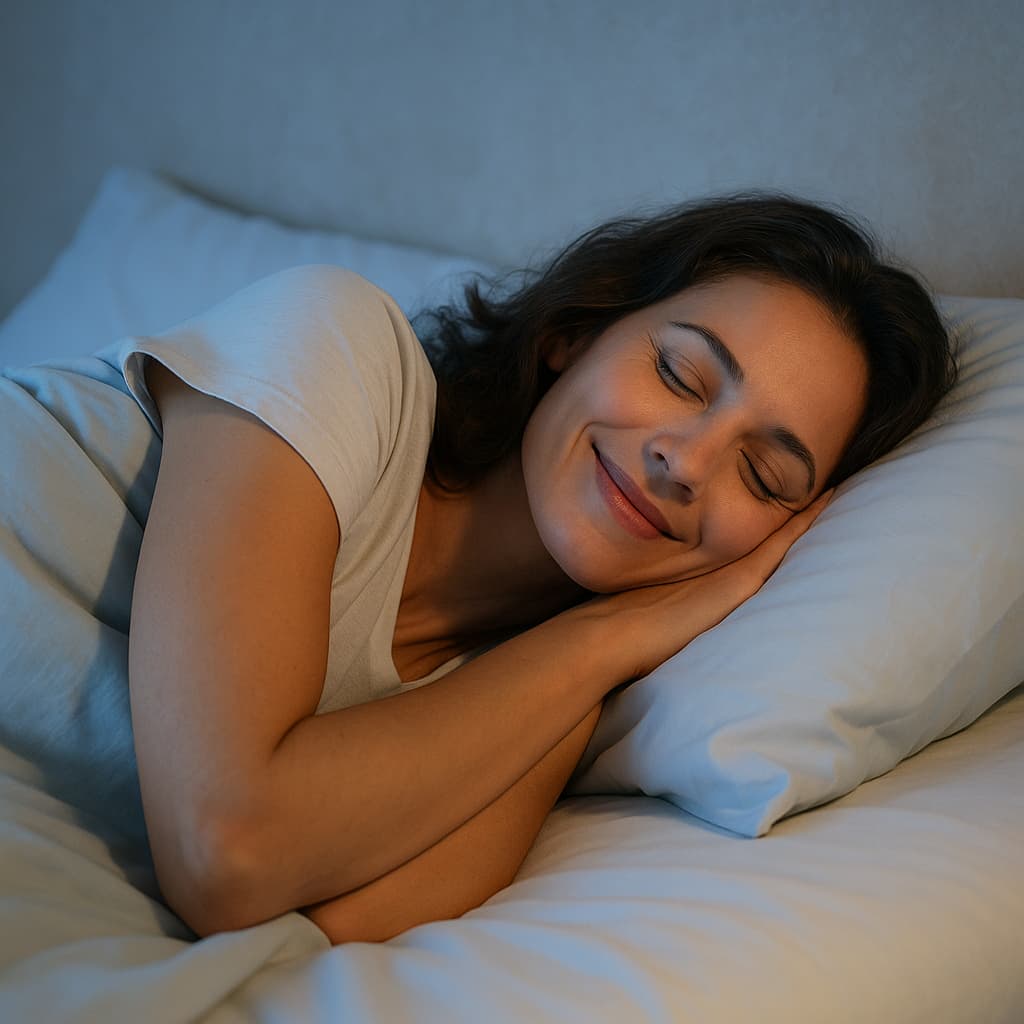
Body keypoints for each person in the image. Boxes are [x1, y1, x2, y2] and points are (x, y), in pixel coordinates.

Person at [0, 193, 956, 946]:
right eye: (679, 374)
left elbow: (307, 936)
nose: (686, 459)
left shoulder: (537, 700)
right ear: (572, 333)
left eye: (764, 472)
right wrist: (607, 632)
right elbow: (231, 851)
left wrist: (597, 650)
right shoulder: (337, 345)